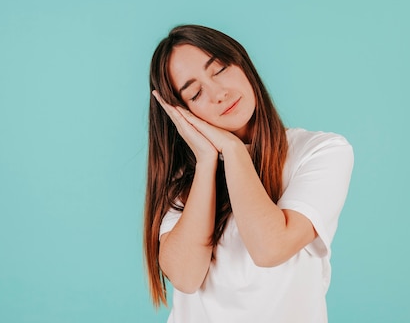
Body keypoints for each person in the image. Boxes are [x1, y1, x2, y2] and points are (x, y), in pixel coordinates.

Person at [143, 25, 354, 323]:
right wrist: (206, 162)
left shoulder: (320, 151)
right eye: (196, 92)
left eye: (220, 69)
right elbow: (185, 277)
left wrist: (233, 150)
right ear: (182, 114)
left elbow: (270, 248)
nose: (220, 93)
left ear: (242, 64)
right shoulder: (184, 183)